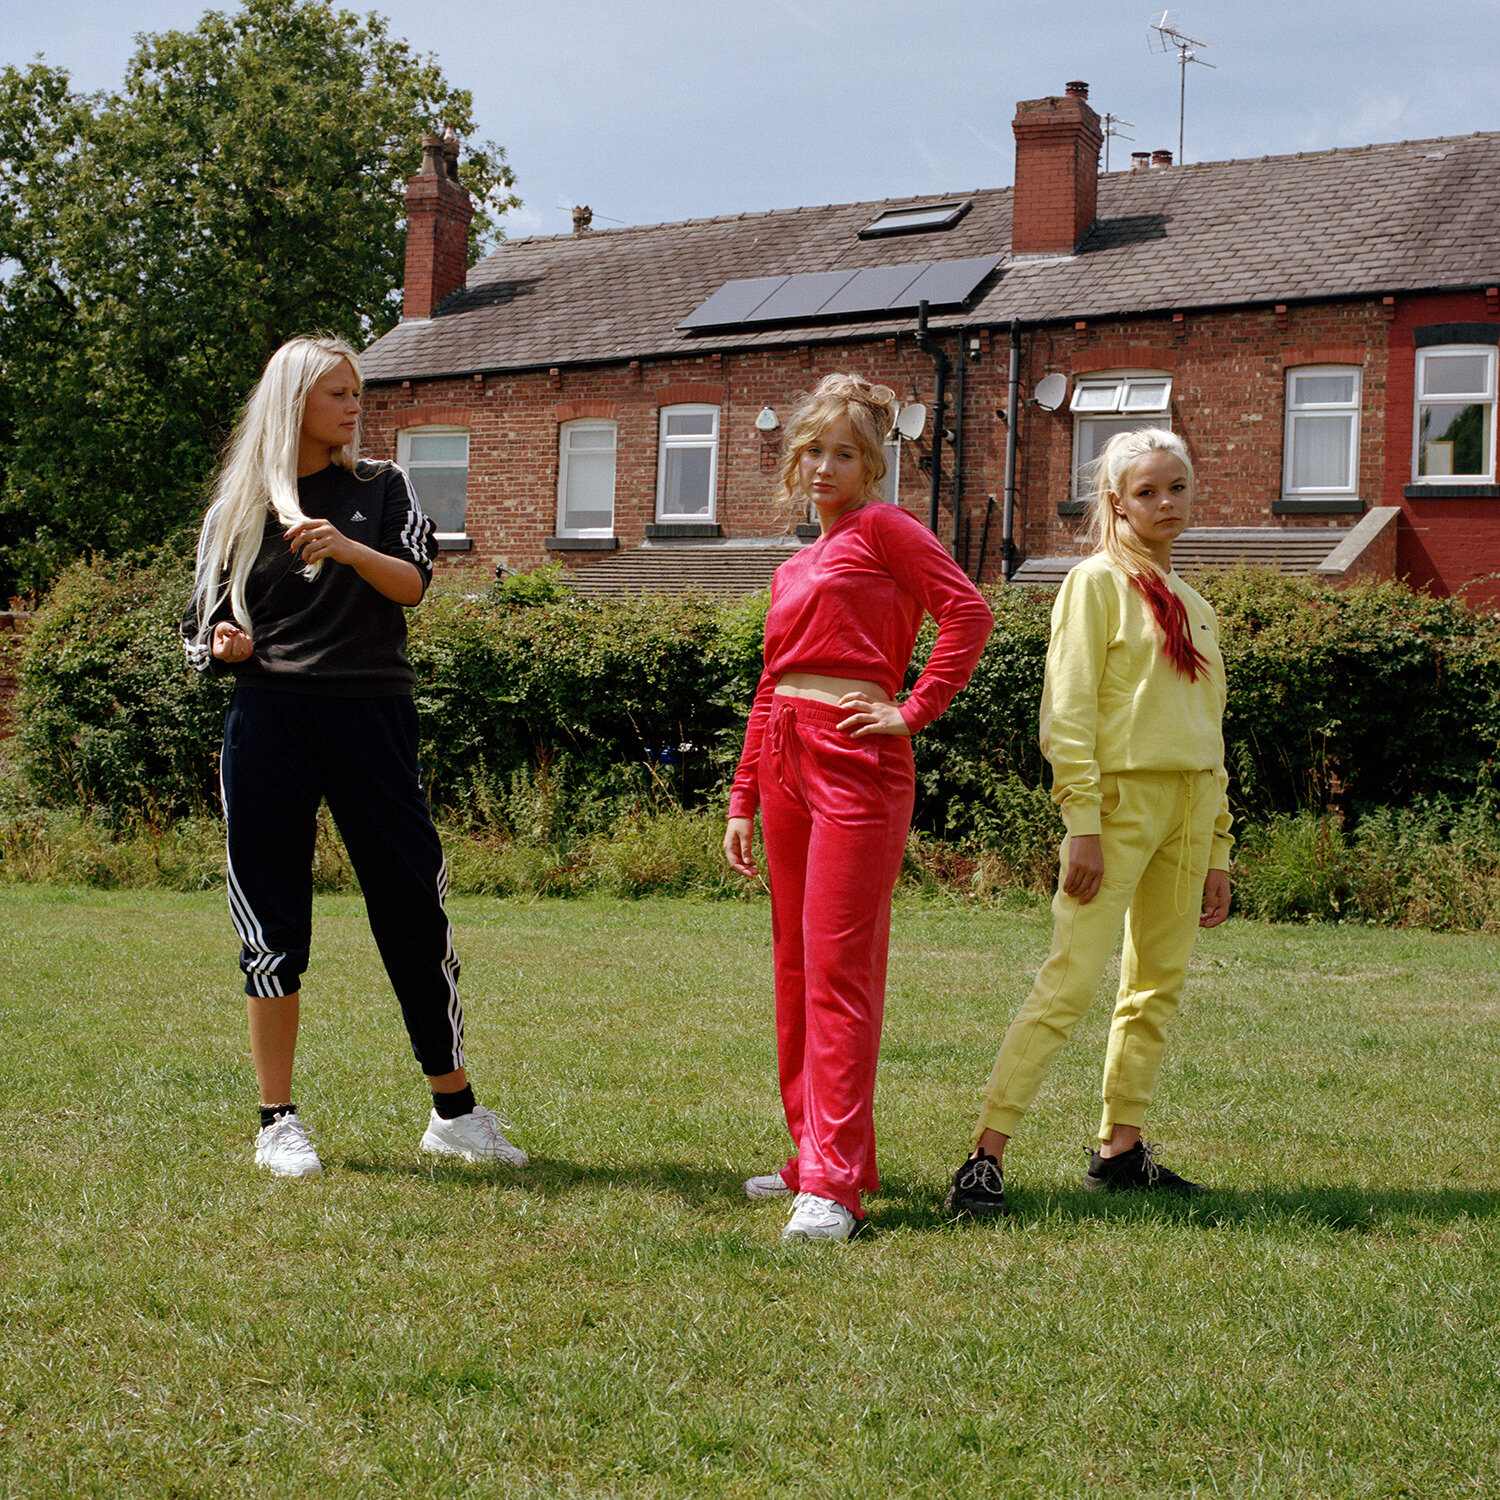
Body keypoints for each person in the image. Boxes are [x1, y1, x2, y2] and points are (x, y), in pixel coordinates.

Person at [181, 333, 526, 1179]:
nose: (353, 407)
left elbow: (413, 581)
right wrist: (222, 644)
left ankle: (455, 1112)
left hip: (372, 716)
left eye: (355, 392)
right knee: (271, 921)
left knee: (414, 908)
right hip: (267, 722)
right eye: (337, 393)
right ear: (294, 401)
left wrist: (343, 545)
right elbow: (198, 629)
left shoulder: (383, 487)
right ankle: (277, 1120)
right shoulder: (236, 508)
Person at [724, 373, 993, 1242]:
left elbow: (967, 614)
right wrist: (742, 795)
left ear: (872, 463)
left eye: (843, 452)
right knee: (794, 968)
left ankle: (836, 1188)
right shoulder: (796, 563)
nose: (822, 466)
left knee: (840, 971)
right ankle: (815, 1157)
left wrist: (910, 710)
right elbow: (771, 682)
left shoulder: (886, 530)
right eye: (811, 450)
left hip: (856, 762)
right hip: (785, 759)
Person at [945, 427, 1231, 1217]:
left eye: (1176, 487)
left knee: (1154, 989)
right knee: (1069, 981)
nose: (1165, 502)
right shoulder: (1095, 584)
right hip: (1118, 806)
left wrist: (1218, 847)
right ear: (1116, 502)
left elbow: (1211, 730)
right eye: (1146, 491)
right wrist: (1083, 821)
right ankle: (983, 1158)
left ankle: (1121, 1150)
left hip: (1190, 808)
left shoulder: (1197, 606)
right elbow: (1066, 714)